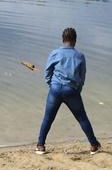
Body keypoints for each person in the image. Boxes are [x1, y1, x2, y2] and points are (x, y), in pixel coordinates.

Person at [35, 27, 101, 155]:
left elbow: (47, 72)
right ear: (75, 40)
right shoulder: (80, 56)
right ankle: (93, 145)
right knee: (82, 118)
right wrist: (77, 90)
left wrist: (51, 84)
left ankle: (40, 146)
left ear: (62, 39)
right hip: (71, 90)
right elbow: (82, 77)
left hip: (55, 90)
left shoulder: (55, 53)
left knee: (48, 118)